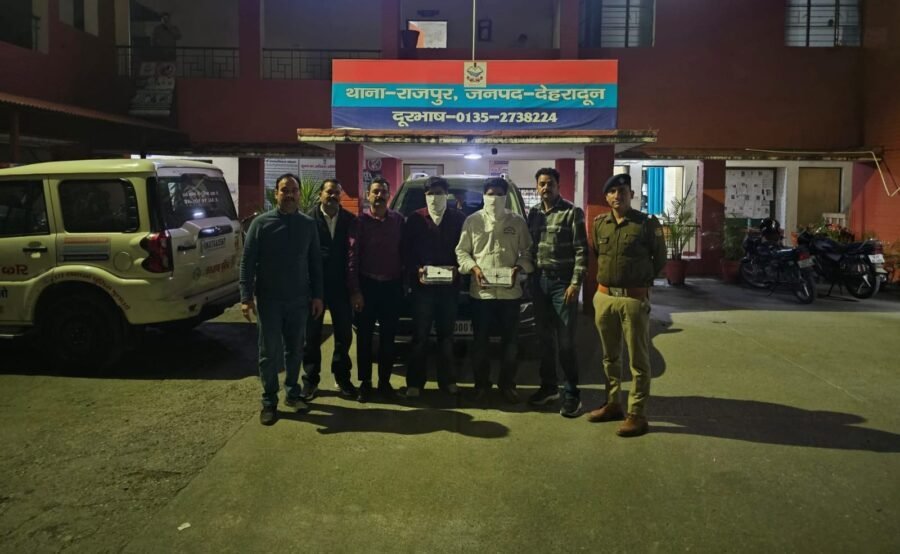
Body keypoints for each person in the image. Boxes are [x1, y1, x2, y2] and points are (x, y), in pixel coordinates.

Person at [240, 173, 324, 426]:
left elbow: (315, 263)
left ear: (299, 194)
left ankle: (292, 393)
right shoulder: (261, 224)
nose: (289, 195)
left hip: (299, 300)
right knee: (269, 353)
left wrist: (318, 295)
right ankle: (269, 401)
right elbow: (247, 262)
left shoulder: (308, 225)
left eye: (294, 190)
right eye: (284, 190)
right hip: (270, 301)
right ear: (276, 193)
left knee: (295, 350)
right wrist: (246, 297)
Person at [588, 173, 666, 437]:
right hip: (604, 298)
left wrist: (641, 284)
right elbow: (597, 254)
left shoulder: (646, 224)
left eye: (622, 191)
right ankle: (613, 404)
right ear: (606, 197)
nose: (617, 195)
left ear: (631, 194)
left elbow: (660, 259)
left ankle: (637, 414)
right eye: (612, 192)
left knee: (638, 359)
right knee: (609, 356)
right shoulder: (600, 224)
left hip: (633, 299)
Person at [455, 177, 533, 404]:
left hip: (511, 294)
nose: (495, 198)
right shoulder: (472, 221)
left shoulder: (517, 222)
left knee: (510, 344)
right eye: (490, 194)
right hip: (481, 294)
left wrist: (519, 268)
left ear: (505, 196)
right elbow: (462, 252)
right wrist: (474, 268)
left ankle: (507, 385)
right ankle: (481, 385)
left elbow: (528, 251)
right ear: (483, 196)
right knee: (480, 343)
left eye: (499, 194)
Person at [526, 167, 588, 418]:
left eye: (550, 183)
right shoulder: (533, 214)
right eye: (541, 184)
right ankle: (549, 387)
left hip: (563, 284)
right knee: (543, 340)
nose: (545, 188)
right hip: (538, 282)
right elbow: (529, 248)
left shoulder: (572, 212)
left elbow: (582, 251)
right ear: (537, 187)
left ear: (558, 185)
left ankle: (572, 394)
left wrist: (575, 284)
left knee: (565, 342)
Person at [402, 176, 467, 398]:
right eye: (430, 193)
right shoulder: (415, 219)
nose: (434, 197)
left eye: (439, 193)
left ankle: (447, 381)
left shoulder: (458, 219)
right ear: (425, 195)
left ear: (447, 195)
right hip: (423, 289)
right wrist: (416, 269)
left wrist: (458, 269)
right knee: (419, 337)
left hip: (449, 289)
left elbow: (465, 249)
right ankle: (415, 383)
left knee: (446, 338)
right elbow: (406, 251)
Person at [301, 178, 358, 401]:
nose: (333, 196)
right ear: (320, 195)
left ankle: (342, 378)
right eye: (329, 192)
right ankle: (310, 380)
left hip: (341, 287)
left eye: (336, 192)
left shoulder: (350, 220)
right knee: (311, 336)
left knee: (344, 335)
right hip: (315, 287)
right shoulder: (307, 220)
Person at [349, 177, 404, 403]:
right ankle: (365, 383)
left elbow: (405, 251)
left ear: (389, 195)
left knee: (388, 339)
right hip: (367, 286)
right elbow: (352, 257)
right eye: (375, 192)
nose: (379, 195)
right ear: (367, 195)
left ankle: (384, 383)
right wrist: (355, 291)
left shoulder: (398, 221)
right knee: (364, 338)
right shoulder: (359, 222)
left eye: (383, 192)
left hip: (392, 287)